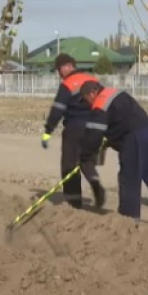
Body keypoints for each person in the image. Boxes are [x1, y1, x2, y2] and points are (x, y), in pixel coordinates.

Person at [80, 82, 148, 227]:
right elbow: (120, 120)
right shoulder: (117, 93)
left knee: (129, 179)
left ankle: (128, 220)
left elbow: (94, 135)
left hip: (134, 138)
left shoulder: (100, 103)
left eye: (85, 99)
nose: (87, 104)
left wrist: (85, 155)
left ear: (92, 93)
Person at [41, 54, 96, 209]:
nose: (59, 74)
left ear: (66, 67)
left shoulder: (68, 84)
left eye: (59, 70)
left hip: (75, 128)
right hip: (94, 127)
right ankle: (96, 186)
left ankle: (73, 202)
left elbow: (58, 109)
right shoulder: (92, 80)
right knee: (86, 162)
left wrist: (48, 131)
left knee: (69, 165)